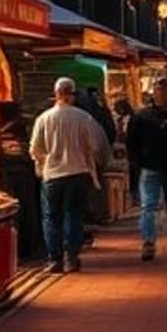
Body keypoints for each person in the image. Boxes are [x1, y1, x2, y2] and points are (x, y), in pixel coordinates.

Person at [30, 77, 113, 273]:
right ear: (73, 95)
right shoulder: (84, 118)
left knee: (51, 217)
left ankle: (55, 259)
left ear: (56, 94)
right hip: (78, 173)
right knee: (73, 215)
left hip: (52, 176)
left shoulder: (44, 119)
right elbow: (96, 146)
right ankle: (71, 257)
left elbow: (35, 149)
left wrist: (44, 162)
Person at [126, 78, 167, 261]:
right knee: (148, 206)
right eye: (158, 92)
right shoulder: (142, 115)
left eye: (165, 92)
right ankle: (148, 242)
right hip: (149, 167)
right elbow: (132, 142)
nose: (161, 96)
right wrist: (136, 162)